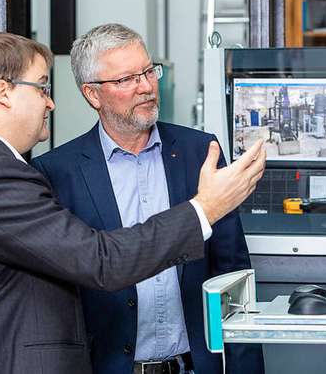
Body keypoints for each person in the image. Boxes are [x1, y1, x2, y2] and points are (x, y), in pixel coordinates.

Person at [0, 32, 266, 374]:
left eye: (147, 72)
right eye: (42, 87)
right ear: (4, 93)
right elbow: (100, 260)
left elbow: (231, 278)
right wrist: (205, 208)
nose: (51, 101)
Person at [32, 24, 264, 374]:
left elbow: (233, 276)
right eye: (126, 79)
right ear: (92, 94)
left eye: (148, 71)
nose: (145, 86)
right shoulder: (56, 173)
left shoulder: (201, 152)